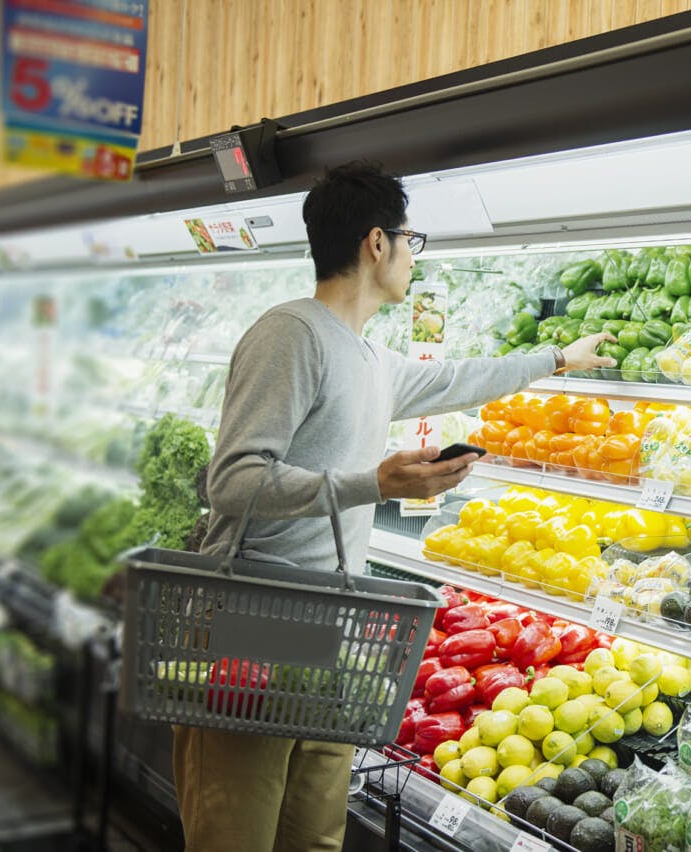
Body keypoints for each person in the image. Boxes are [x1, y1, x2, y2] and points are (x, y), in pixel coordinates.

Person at [173, 160, 615, 852]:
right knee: (234, 834)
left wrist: (555, 358)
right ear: (377, 243)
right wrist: (372, 484)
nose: (415, 255)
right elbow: (233, 479)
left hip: (325, 628)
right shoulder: (291, 335)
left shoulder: (370, 358)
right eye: (413, 240)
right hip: (250, 622)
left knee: (314, 835)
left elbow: (455, 378)